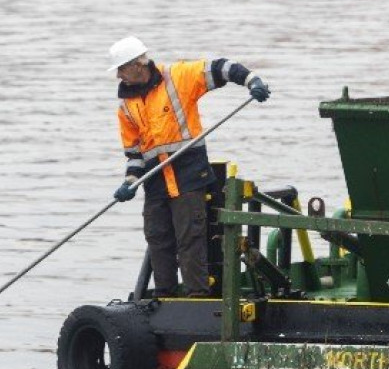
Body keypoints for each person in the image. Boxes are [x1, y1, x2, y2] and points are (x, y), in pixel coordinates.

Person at [107, 36, 270, 297]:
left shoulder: (178, 77)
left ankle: (197, 297)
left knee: (190, 239)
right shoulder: (126, 106)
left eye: (121, 69)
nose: (118, 75)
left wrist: (251, 81)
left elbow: (220, 67)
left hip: (188, 175)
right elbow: (135, 155)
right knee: (157, 238)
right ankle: (164, 297)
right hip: (156, 183)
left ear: (138, 64)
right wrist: (130, 183)